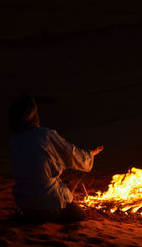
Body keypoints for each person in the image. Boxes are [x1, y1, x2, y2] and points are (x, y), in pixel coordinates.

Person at [9, 95, 103, 223]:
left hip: (24, 203)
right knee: (79, 215)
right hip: (48, 201)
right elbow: (71, 154)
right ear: (33, 117)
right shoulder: (45, 136)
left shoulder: (15, 140)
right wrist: (90, 153)